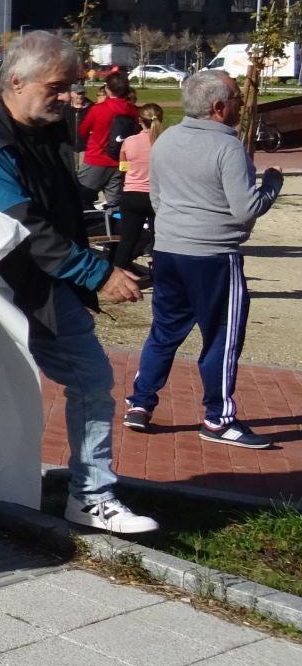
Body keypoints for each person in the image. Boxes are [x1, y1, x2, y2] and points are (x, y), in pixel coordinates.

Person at [0, 31, 157, 535]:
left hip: (38, 285)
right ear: (16, 82)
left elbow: (55, 216)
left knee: (90, 379)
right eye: (58, 87)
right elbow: (22, 231)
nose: (69, 98)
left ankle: (91, 495)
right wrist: (96, 272)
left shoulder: (44, 129)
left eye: (73, 86)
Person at [124, 71, 286, 447]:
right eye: (235, 98)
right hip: (213, 255)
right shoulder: (228, 148)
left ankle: (140, 403)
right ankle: (219, 418)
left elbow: (158, 198)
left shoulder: (164, 141)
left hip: (169, 250)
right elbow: (246, 208)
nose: (240, 105)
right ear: (218, 108)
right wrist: (272, 186)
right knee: (222, 338)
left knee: (164, 332)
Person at [110, 103, 163, 277]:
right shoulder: (165, 142)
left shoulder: (129, 142)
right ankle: (160, 270)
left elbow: (123, 168)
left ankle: (118, 271)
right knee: (159, 238)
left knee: (128, 238)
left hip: (132, 194)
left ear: (140, 121)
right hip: (158, 195)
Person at [76, 72, 141, 208]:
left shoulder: (98, 109)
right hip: (121, 161)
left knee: (78, 198)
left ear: (107, 89)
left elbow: (82, 131)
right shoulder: (133, 110)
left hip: (96, 159)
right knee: (114, 204)